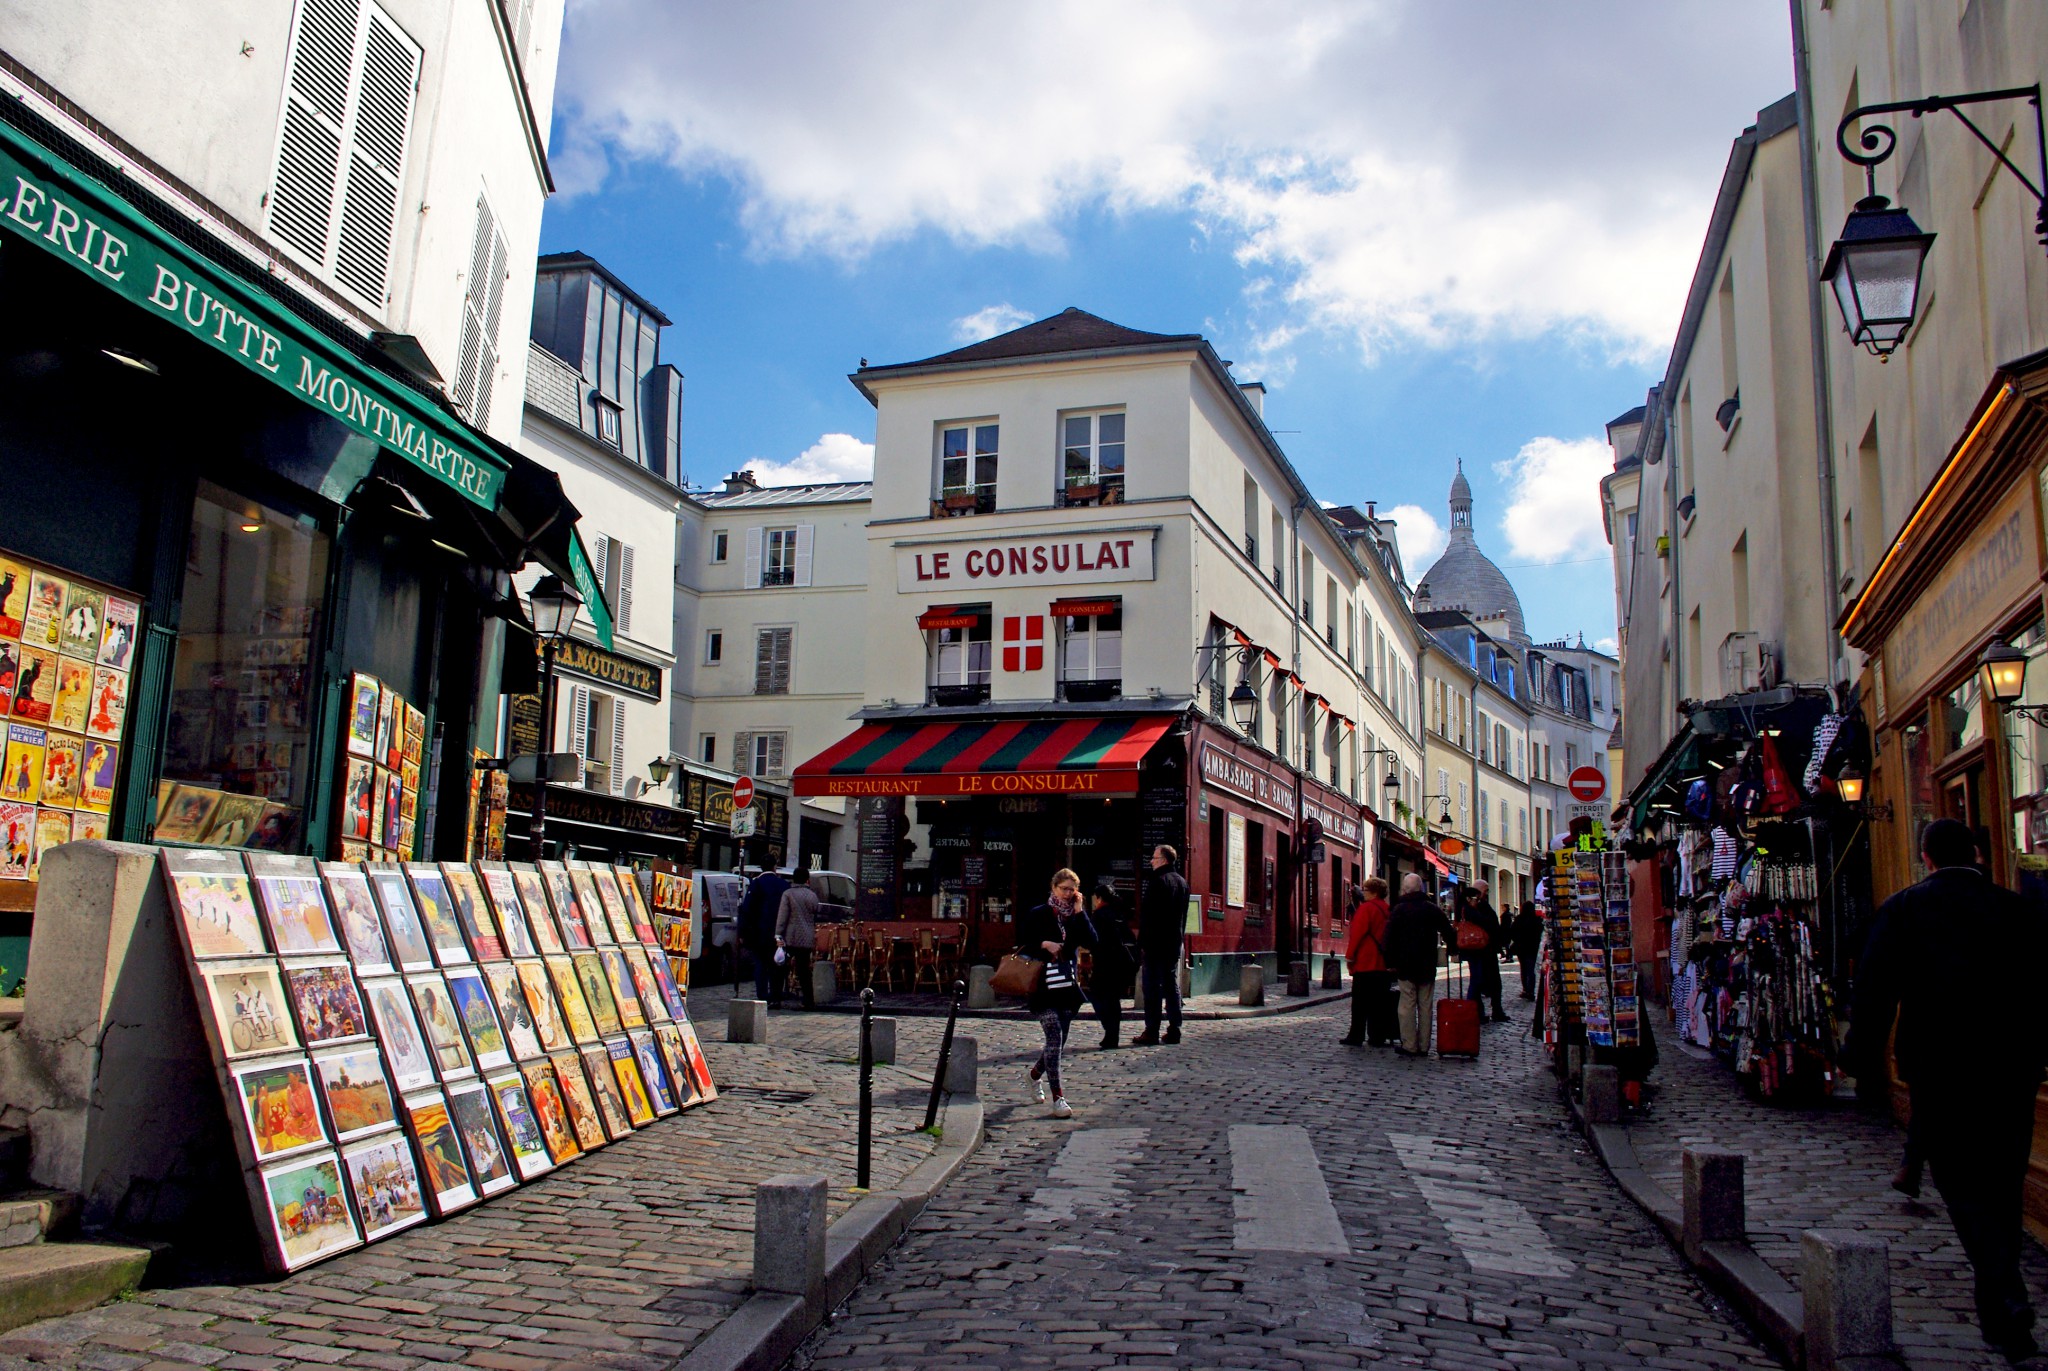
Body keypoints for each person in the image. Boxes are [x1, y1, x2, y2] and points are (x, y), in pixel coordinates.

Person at [1851, 817, 2048, 1359]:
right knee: (2004, 1184)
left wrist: (1860, 1055)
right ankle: (2004, 1303)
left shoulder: (1907, 909)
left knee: (1962, 1186)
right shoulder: (2017, 909)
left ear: (1926, 856)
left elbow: (1874, 990)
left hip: (1940, 1070)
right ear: (1979, 854)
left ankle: (2005, 1293)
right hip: (2012, 1069)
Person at [1019, 869, 1087, 1116]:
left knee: (1057, 1043)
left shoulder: (1075, 918)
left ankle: (1034, 1075)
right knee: (1055, 1036)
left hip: (1067, 988)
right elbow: (1023, 941)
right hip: (1043, 987)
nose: (1068, 894)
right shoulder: (1039, 914)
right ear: (1054, 887)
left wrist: (1080, 912)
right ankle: (1059, 1098)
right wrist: (1043, 944)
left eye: (1072, 890)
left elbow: (1092, 939)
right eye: (1064, 889)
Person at [1385, 873, 1455, 1056]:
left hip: (1406, 964)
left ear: (1405, 890)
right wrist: (1454, 949)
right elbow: (1448, 930)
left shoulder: (1399, 910)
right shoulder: (1431, 909)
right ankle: (1424, 1045)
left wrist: (1390, 962)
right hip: (1426, 964)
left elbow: (1389, 938)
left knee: (1407, 1004)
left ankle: (1409, 1044)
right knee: (1425, 1005)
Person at [1131, 845, 1187, 1046]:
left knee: (1152, 988)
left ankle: (1151, 1031)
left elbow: (1149, 917)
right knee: (1171, 986)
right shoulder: (1182, 882)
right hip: (1173, 942)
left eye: (1154, 858)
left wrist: (1142, 944)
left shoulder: (1157, 882)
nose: (1151, 861)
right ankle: (1175, 1029)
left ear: (1163, 859)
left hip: (1155, 944)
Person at [1077, 882, 1137, 1048]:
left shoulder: (1099, 915)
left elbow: (1092, 939)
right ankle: (1113, 1033)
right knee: (1113, 999)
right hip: (1122, 963)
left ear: (1099, 898)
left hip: (1105, 962)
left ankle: (1110, 1031)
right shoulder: (1119, 913)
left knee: (1098, 995)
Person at [1339, 876, 1395, 1047]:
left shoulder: (1366, 909)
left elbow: (1357, 935)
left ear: (1374, 892)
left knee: (1360, 1003)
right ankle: (1377, 1035)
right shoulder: (1387, 909)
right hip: (1383, 963)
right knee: (1379, 1003)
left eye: (1365, 889)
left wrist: (1350, 956)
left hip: (1366, 962)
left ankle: (1356, 1035)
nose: (1363, 892)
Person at [736, 867, 789, 1004]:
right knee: (777, 963)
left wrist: (743, 931)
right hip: (778, 931)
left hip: (759, 931)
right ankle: (776, 995)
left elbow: (747, 909)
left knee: (760, 963)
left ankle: (763, 994)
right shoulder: (782, 884)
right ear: (775, 867)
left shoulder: (757, 884)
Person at [1459, 882, 1509, 1022]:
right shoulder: (1473, 907)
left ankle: (1487, 1011)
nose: (1487, 893)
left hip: (1484, 949)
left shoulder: (1478, 905)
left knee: (1485, 981)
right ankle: (1478, 1012)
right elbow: (1487, 922)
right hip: (1479, 949)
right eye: (1486, 890)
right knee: (1479, 981)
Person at [775, 867, 821, 1010]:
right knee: (804, 970)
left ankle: (777, 997)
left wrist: (778, 934)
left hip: (791, 936)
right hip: (807, 936)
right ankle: (808, 1000)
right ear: (807, 879)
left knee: (781, 967)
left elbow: (782, 916)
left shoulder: (788, 894)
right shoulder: (812, 895)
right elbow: (816, 912)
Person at [1510, 901, 1544, 1000]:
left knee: (1524, 970)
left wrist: (1518, 940)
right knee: (1531, 970)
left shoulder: (1519, 919)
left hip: (1522, 948)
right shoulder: (1537, 920)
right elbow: (1540, 933)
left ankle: (1526, 989)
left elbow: (1512, 932)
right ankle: (1531, 991)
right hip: (1532, 948)